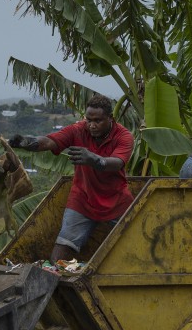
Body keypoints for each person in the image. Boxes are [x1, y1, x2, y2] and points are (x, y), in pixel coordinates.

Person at [10, 94, 133, 262]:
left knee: (136, 240)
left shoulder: (123, 136)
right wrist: (27, 142)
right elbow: (49, 141)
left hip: (116, 199)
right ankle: (55, 282)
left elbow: (117, 163)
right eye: (89, 120)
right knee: (62, 248)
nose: (92, 125)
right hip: (83, 199)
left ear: (111, 118)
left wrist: (94, 159)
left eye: (97, 120)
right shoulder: (78, 129)